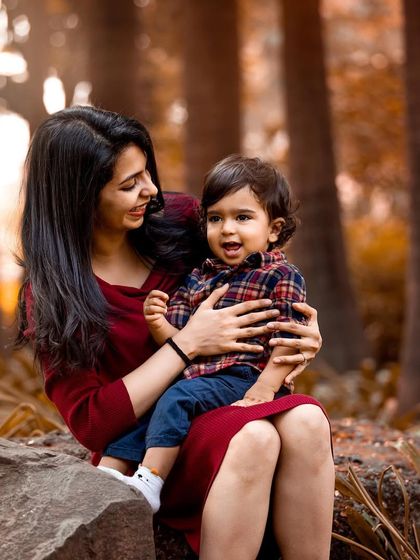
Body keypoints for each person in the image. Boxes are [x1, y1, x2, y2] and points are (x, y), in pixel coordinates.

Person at [16, 106, 334, 560]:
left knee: (307, 420)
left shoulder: (184, 220)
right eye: (129, 185)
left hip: (224, 400)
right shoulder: (53, 295)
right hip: (147, 447)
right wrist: (186, 345)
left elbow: (263, 258)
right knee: (256, 439)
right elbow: (91, 422)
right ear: (81, 197)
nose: (150, 191)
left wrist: (301, 336)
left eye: (146, 173)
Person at [99, 154, 310, 515]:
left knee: (177, 398)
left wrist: (265, 387)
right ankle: (104, 478)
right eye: (216, 218)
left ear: (273, 229)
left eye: (242, 217)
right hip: (198, 374)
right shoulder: (201, 276)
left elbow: (290, 339)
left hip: (243, 376)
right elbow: (179, 339)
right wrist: (157, 322)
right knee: (148, 412)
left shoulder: (280, 276)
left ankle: (150, 481)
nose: (227, 229)